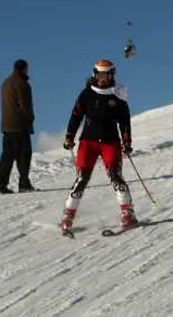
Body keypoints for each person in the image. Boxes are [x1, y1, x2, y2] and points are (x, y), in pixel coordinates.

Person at [59, 60, 136, 235]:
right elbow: (76, 116)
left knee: (116, 176)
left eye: (106, 75)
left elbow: (125, 121)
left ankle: (128, 214)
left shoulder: (118, 95)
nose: (103, 78)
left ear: (112, 75)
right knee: (81, 179)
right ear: (95, 74)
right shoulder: (87, 94)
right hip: (88, 142)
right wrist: (70, 136)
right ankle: (67, 217)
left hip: (110, 142)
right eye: (100, 74)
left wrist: (127, 141)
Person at [0, 59, 35, 194]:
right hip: (20, 125)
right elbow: (25, 105)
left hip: (6, 125)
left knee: (7, 156)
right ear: (24, 69)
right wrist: (30, 118)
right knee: (24, 155)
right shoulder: (22, 84)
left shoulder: (5, 83)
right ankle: (24, 184)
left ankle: (0, 184)